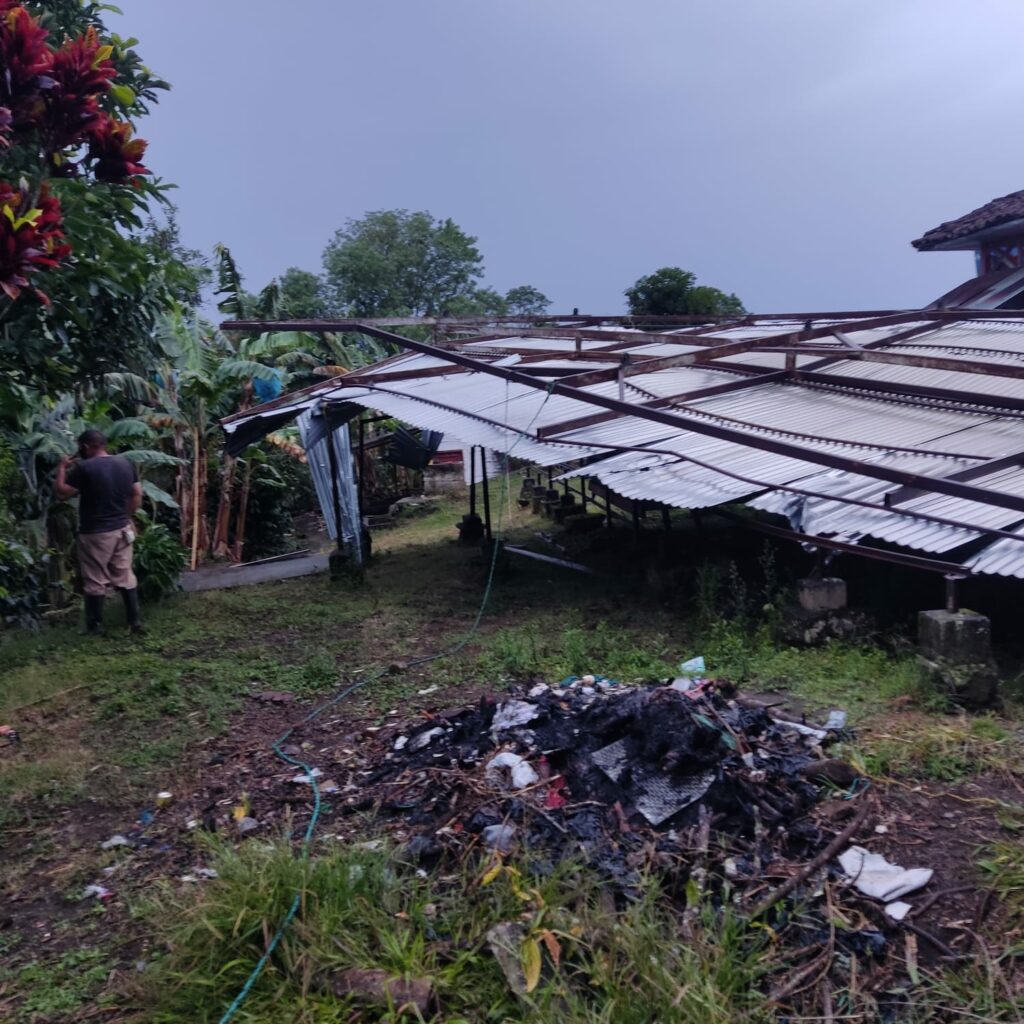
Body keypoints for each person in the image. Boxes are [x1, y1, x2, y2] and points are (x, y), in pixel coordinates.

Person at [54, 429, 144, 634]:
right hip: (122, 529)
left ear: (85, 446)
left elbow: (61, 494)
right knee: (125, 574)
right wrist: (127, 516)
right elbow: (137, 494)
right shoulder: (124, 463)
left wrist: (61, 468)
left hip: (95, 532)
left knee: (95, 579)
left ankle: (95, 626)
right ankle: (134, 621)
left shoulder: (85, 468)